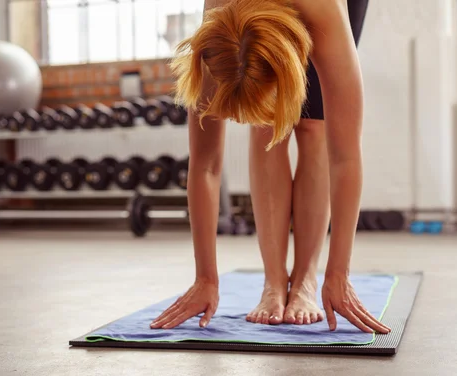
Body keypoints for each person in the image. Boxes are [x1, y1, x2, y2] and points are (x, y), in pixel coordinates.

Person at [150, 0, 391, 334]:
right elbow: (205, 164)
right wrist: (205, 277)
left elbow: (345, 155)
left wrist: (339, 274)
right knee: (266, 127)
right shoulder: (217, 19)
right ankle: (274, 282)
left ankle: (305, 279)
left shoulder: (323, 11)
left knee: (314, 125)